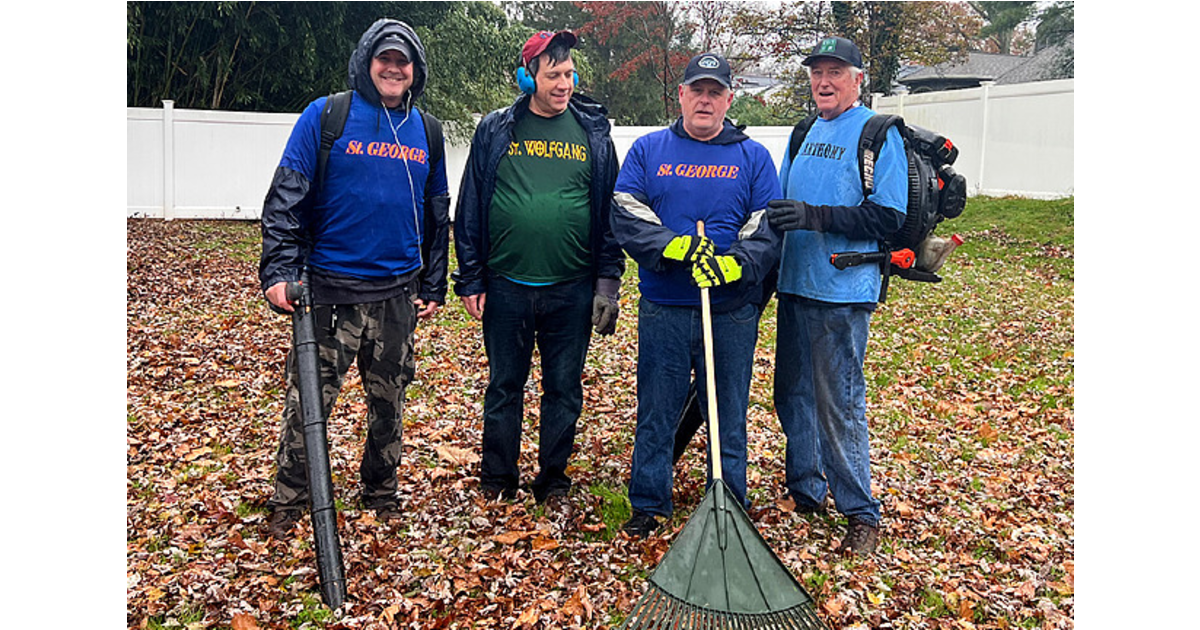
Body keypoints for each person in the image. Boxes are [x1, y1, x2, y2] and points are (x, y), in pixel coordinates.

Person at [258, 19, 450, 539]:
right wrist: (278, 270)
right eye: (384, 58)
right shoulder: (326, 117)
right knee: (309, 406)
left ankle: (381, 491)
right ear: (367, 62)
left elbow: (436, 214)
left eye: (403, 61)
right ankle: (291, 499)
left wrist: (434, 283)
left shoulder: (426, 131)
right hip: (328, 293)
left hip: (396, 298)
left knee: (389, 404)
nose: (393, 67)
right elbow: (285, 199)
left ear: (415, 71)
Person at [451, 30, 624, 520]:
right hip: (506, 285)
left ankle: (553, 480)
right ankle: (498, 477)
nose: (565, 83)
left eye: (569, 74)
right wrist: (472, 278)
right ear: (529, 77)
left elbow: (609, 212)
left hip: (570, 288)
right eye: (554, 74)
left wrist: (607, 283)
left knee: (564, 388)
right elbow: (470, 207)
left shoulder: (593, 134)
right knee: (505, 384)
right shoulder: (496, 129)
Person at [611, 52, 782, 538]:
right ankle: (648, 503)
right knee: (657, 409)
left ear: (729, 99)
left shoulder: (752, 158)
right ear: (681, 95)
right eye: (697, 91)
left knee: (727, 412)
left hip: (729, 313)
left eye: (715, 92)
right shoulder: (648, 150)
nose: (705, 100)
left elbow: (767, 229)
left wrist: (735, 265)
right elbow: (626, 214)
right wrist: (676, 246)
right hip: (664, 306)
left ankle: (729, 504)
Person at [764, 36, 908, 555]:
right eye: (817, 72)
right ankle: (807, 489)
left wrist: (816, 217)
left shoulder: (876, 133)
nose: (824, 82)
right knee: (792, 394)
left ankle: (861, 513)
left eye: (836, 72)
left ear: (857, 80)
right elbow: (779, 204)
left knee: (839, 403)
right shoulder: (804, 131)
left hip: (843, 290)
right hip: (795, 284)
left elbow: (888, 215)